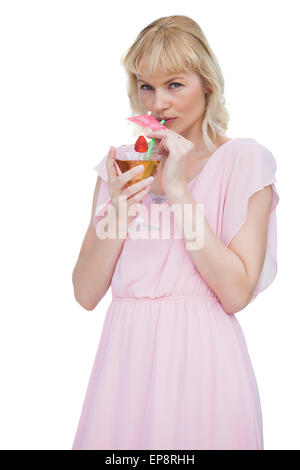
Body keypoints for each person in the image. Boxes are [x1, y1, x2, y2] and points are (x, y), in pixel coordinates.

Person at [71, 15, 279, 450]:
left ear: (206, 84)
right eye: (146, 86)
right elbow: (86, 292)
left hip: (202, 362)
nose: (158, 103)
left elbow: (235, 292)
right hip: (123, 364)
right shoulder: (121, 168)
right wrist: (123, 206)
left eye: (175, 85)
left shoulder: (244, 160)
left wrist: (179, 189)